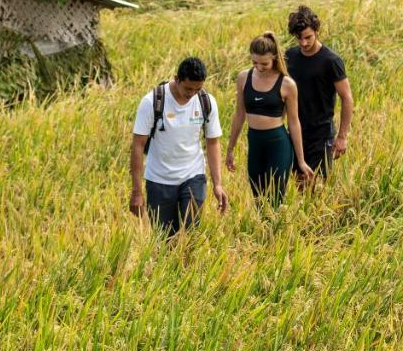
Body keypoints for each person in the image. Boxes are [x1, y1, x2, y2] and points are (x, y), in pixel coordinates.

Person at [130, 56, 228, 236]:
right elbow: (138, 145)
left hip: (193, 175)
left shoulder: (206, 101)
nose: (192, 93)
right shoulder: (153, 101)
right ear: (176, 79)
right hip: (159, 180)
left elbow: (213, 142)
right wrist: (137, 191)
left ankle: (190, 264)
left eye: (197, 89)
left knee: (191, 233)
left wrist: (218, 184)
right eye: (188, 88)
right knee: (166, 238)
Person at [225, 33, 313, 203]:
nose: (259, 67)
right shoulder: (244, 78)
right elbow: (239, 114)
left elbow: (294, 122)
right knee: (258, 197)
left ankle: (276, 229)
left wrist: (301, 161)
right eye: (254, 62)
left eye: (264, 63)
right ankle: (261, 229)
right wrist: (230, 148)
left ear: (274, 58)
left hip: (278, 144)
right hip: (255, 142)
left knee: (275, 198)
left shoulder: (287, 84)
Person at [285, 5, 354, 181]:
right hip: (295, 131)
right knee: (298, 182)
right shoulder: (289, 57)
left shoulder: (331, 60)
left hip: (322, 134)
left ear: (317, 31)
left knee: (316, 185)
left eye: (308, 37)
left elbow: (346, 98)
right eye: (299, 38)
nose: (303, 43)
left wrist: (342, 137)